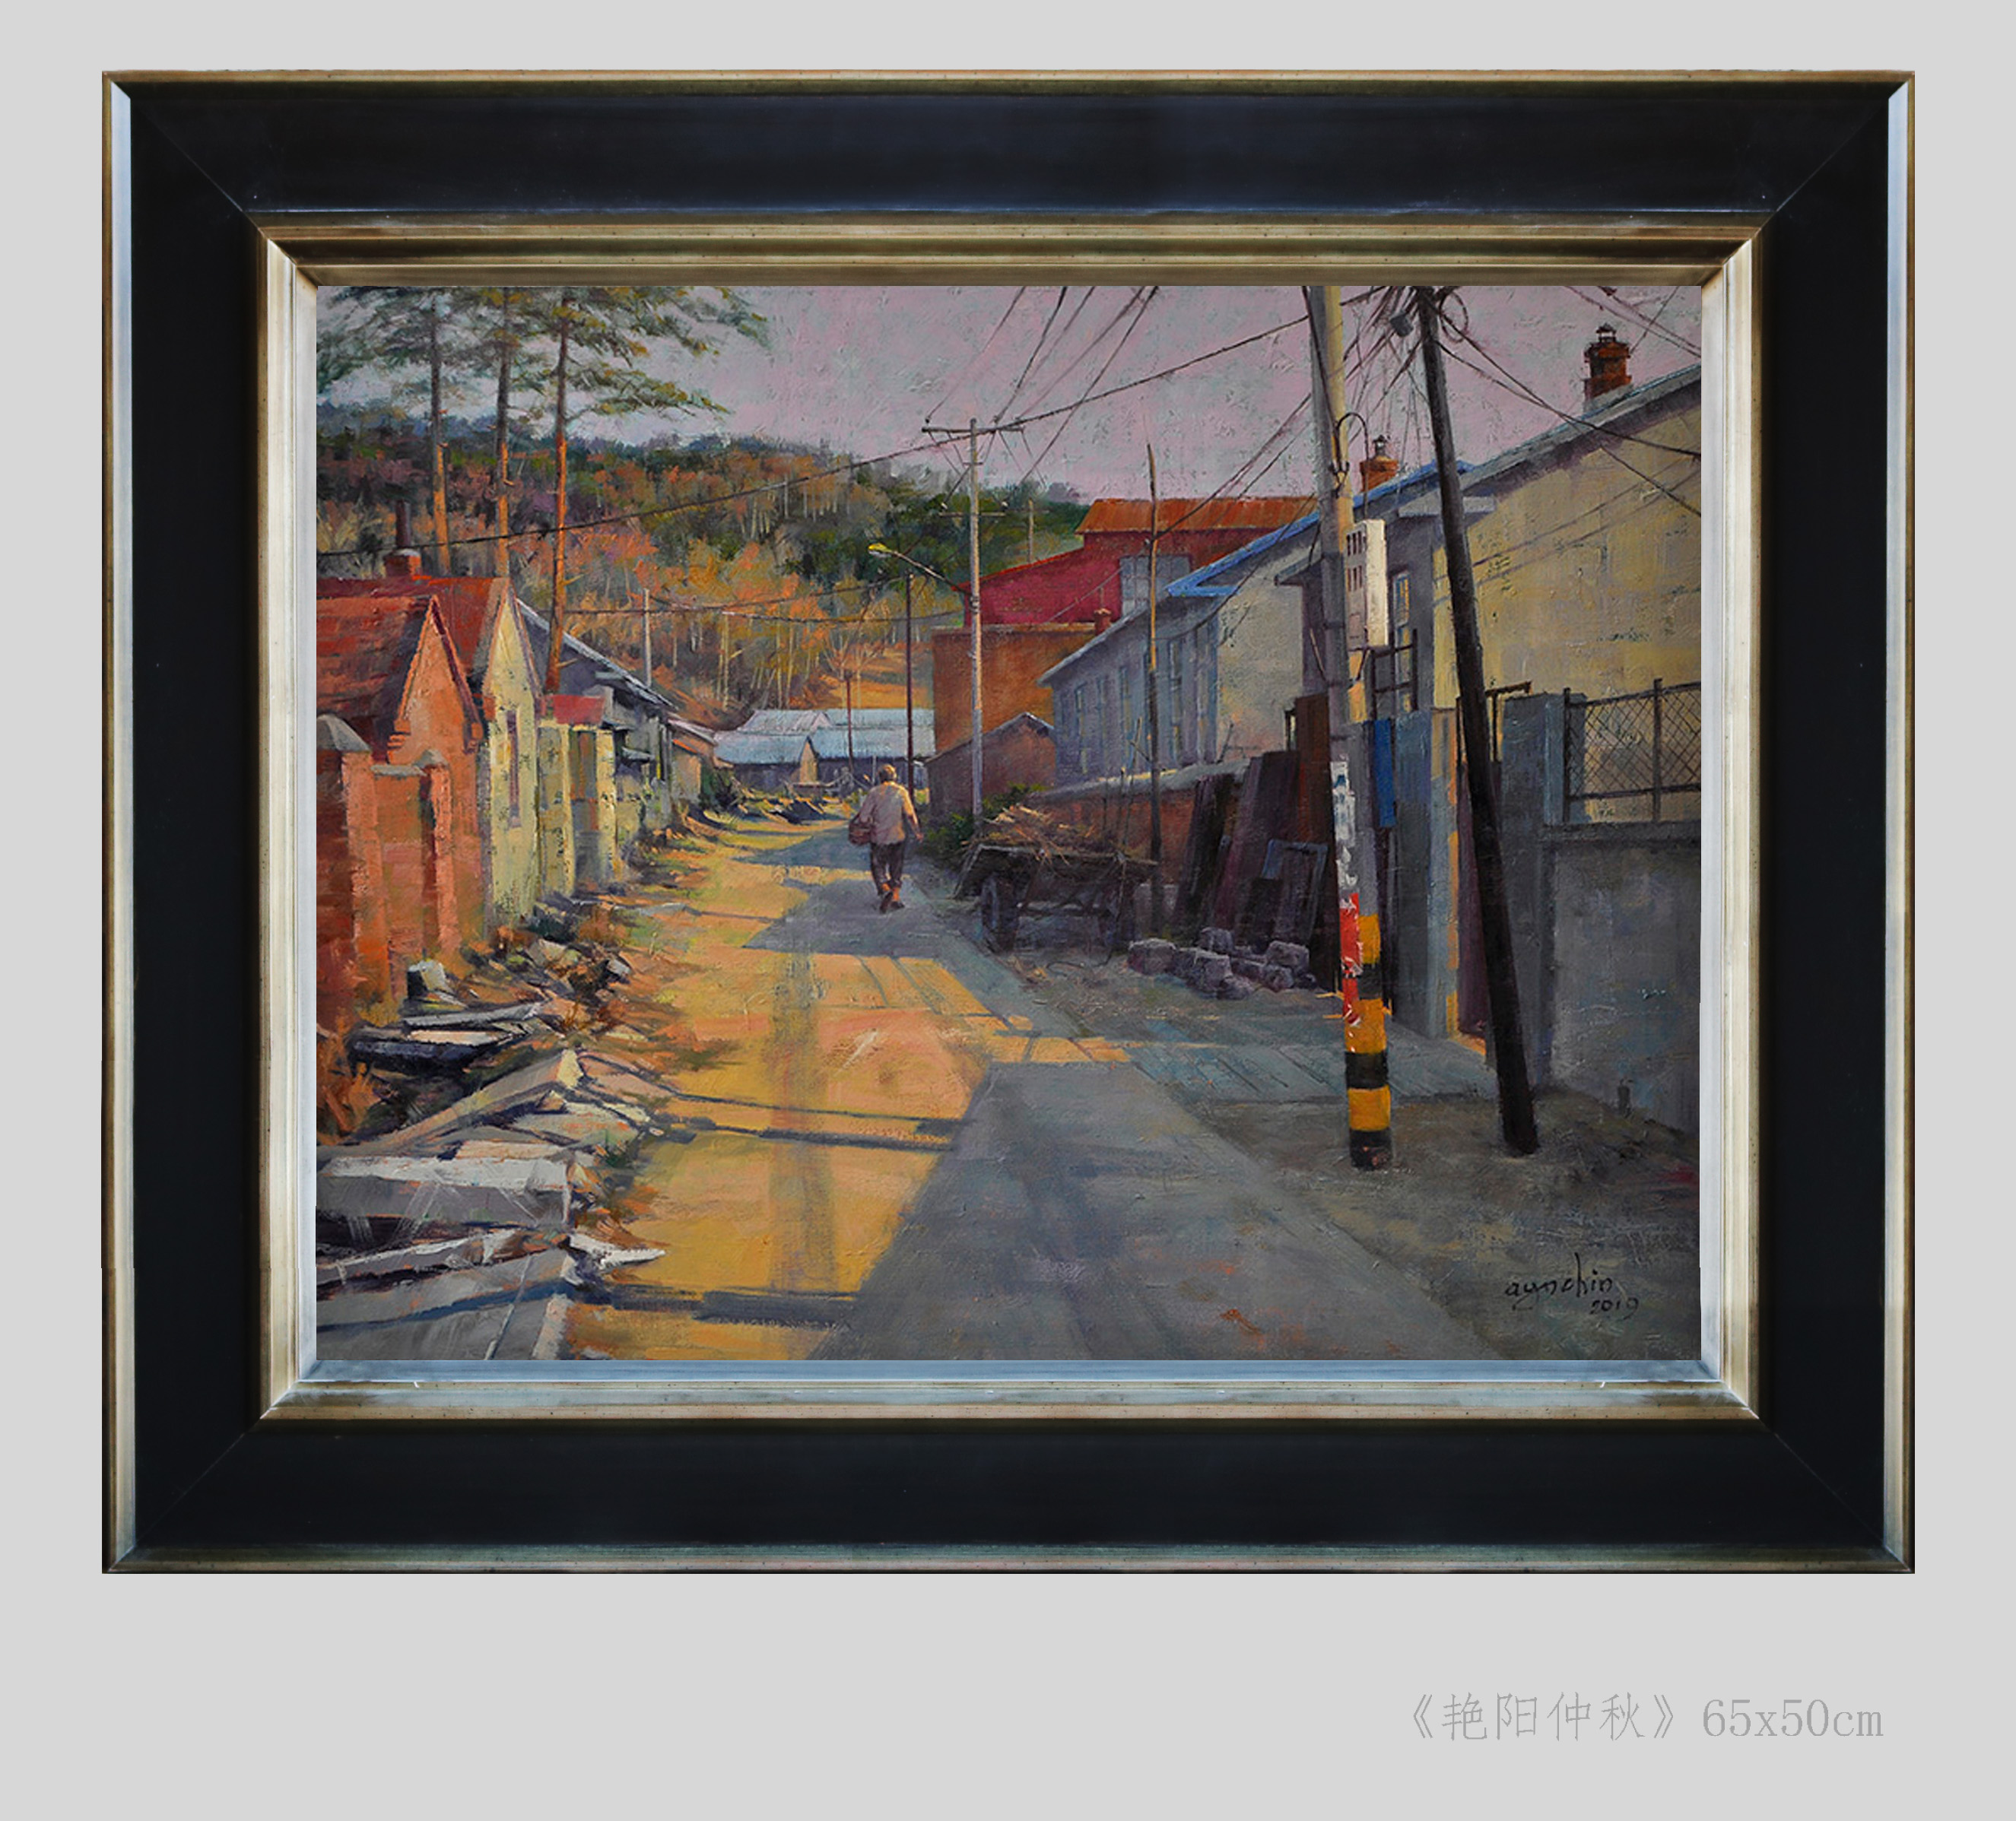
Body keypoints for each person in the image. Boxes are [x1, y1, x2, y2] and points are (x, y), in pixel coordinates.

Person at [852, 763, 922, 912]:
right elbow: (910, 815)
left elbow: (863, 818)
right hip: (898, 836)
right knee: (896, 867)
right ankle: (895, 897)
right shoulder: (901, 792)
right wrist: (917, 832)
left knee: (878, 866)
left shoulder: (874, 793)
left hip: (879, 838)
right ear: (894, 777)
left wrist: (868, 823)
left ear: (880, 777)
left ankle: (885, 890)